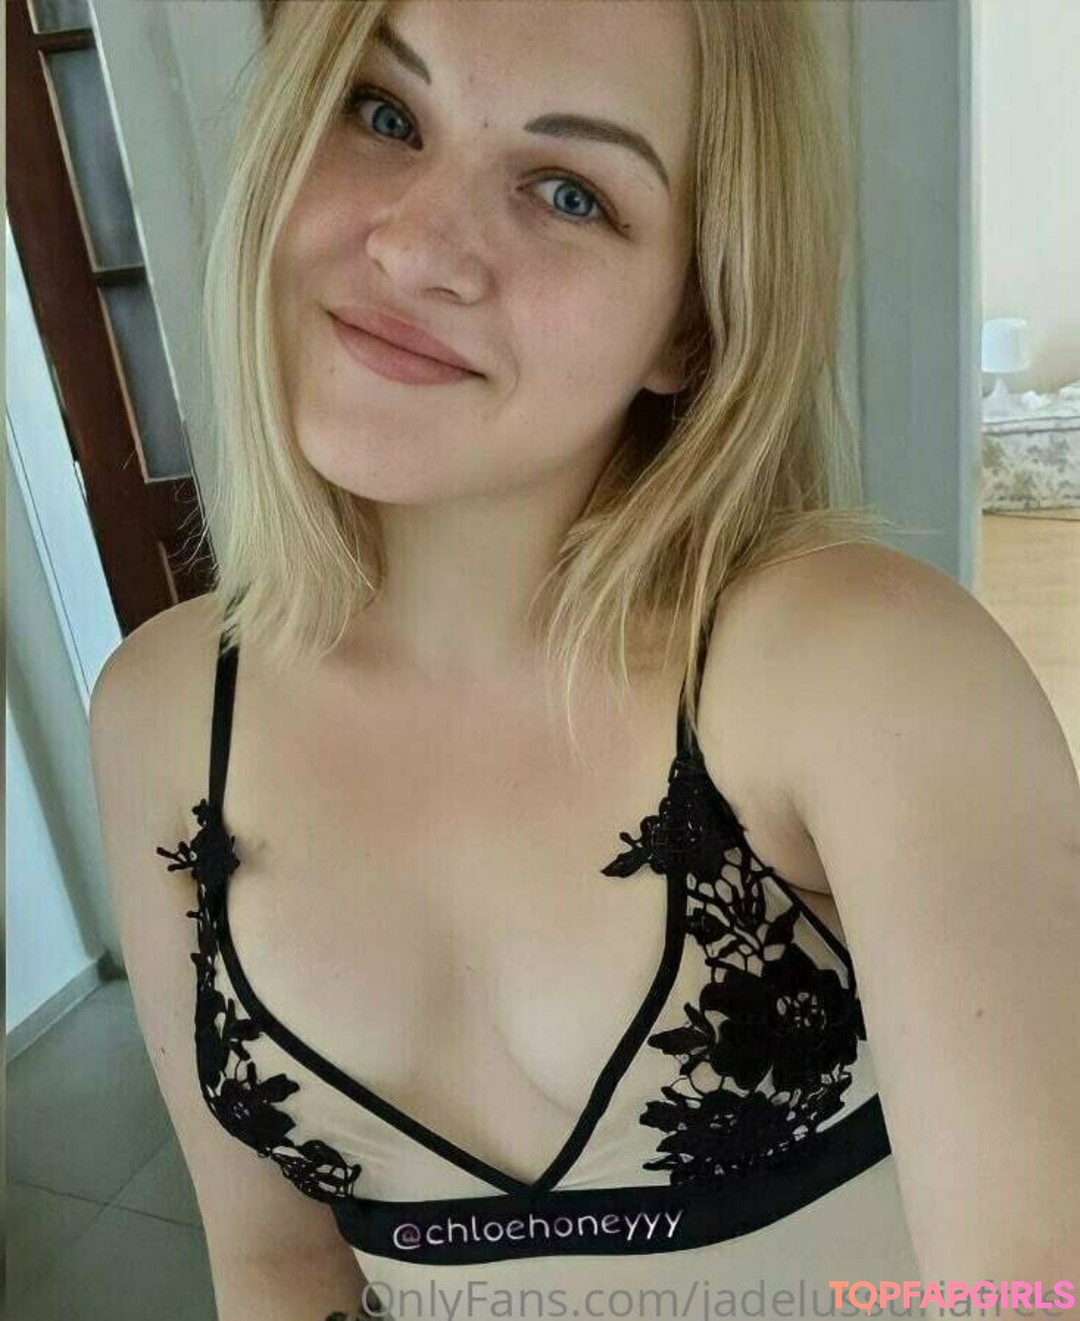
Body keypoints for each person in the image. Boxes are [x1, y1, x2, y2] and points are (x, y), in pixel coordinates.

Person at [89, 2, 1080, 1319]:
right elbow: (275, 1263)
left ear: (690, 321)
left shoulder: (862, 675)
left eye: (569, 192)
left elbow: (1027, 1291)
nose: (416, 246)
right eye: (384, 114)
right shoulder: (162, 714)